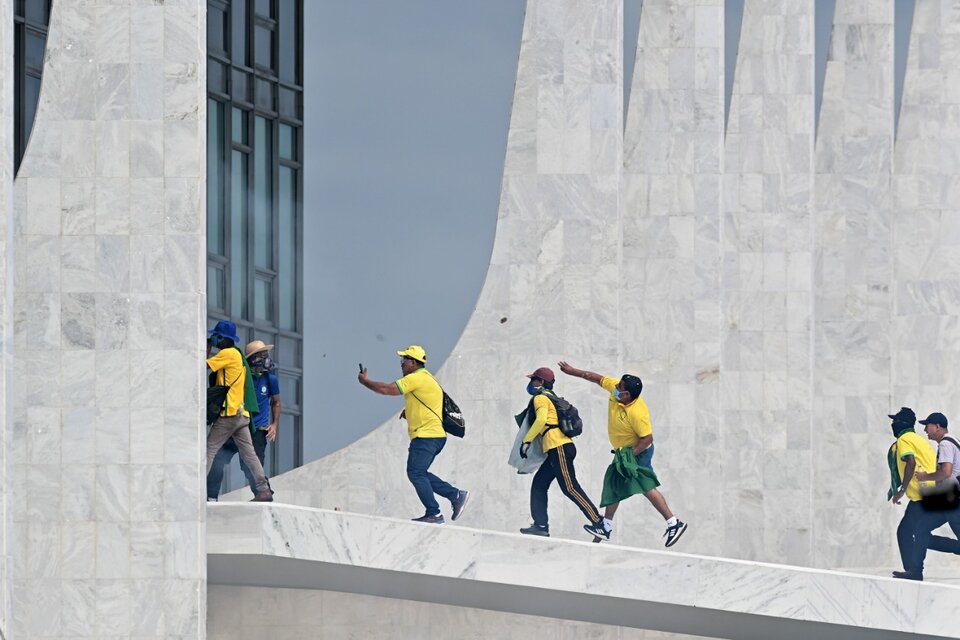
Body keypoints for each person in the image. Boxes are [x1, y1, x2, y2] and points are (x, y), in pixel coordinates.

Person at [558, 361, 687, 547]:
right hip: (624, 452)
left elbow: (647, 438)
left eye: (620, 388)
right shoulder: (616, 389)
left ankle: (674, 523)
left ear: (627, 395)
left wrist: (630, 456)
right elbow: (594, 377)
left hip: (638, 452)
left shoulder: (637, 412)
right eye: (618, 385)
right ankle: (607, 526)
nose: (616, 388)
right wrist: (571, 371)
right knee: (616, 483)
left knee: (644, 485)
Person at [358, 345, 469, 524]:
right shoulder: (426, 379)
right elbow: (426, 402)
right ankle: (454, 495)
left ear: (413, 362)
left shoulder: (417, 378)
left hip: (427, 436)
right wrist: (408, 411)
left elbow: (388, 390)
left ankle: (436, 512)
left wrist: (366, 382)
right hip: (432, 436)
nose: (401, 364)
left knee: (416, 473)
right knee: (418, 473)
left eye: (404, 360)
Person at [517, 367, 608, 540]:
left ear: (541, 382)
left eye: (534, 380)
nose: (531, 383)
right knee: (539, 484)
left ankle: (600, 523)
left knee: (570, 488)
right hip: (556, 448)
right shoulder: (551, 397)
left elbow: (541, 419)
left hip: (559, 447)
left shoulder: (541, 398)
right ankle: (540, 525)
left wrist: (526, 441)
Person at [206, 321, 273, 502]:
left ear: (222, 338)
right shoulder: (238, 355)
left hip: (229, 413)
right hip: (242, 414)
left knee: (210, 449)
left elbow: (202, 366)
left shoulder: (227, 353)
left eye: (216, 337)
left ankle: (196, 487)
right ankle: (264, 489)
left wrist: (206, 347)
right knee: (249, 454)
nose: (214, 339)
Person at [886, 407, 937, 580]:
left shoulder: (904, 439)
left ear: (902, 423)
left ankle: (912, 572)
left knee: (905, 532)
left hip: (922, 496)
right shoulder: (920, 440)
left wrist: (901, 490)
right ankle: (913, 571)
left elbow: (911, 462)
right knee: (917, 533)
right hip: (929, 493)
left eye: (895, 421)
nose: (893, 424)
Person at [907, 412, 960, 578]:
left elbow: (946, 472)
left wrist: (925, 477)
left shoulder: (945, 444)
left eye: (927, 426)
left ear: (937, 426)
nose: (925, 429)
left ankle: (915, 571)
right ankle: (915, 571)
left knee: (921, 529)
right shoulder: (953, 441)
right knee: (921, 529)